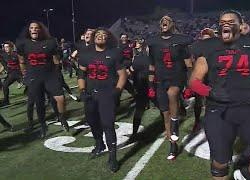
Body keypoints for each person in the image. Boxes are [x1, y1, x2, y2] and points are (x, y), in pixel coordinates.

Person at [189, 10, 250, 179]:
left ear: (241, 25)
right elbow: (194, 81)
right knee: (220, 162)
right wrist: (210, 91)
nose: (226, 23)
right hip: (219, 110)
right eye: (222, 21)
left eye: (231, 21)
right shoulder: (209, 47)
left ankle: (247, 173)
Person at [77, 27, 127, 172]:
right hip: (91, 94)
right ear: (93, 37)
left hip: (107, 93)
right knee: (92, 121)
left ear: (108, 38)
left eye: (104, 34)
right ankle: (99, 143)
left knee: (108, 124)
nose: (100, 36)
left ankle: (113, 157)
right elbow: (81, 75)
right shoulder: (86, 54)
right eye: (98, 34)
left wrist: (117, 91)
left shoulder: (114, 53)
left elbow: (122, 75)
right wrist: (82, 91)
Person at [147, 15, 193, 160]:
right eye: (161, 20)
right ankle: (173, 145)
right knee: (165, 114)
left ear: (172, 24)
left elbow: (189, 64)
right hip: (161, 80)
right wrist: (150, 85)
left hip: (176, 77)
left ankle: (175, 124)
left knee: (173, 93)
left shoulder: (180, 41)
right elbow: (152, 65)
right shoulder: (154, 42)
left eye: (167, 20)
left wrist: (189, 85)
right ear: (160, 25)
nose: (164, 21)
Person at [16, 21, 69, 138]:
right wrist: (25, 74)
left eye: (36, 28)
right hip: (34, 77)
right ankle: (43, 125)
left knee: (60, 98)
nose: (34, 29)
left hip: (50, 75)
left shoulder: (50, 42)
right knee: (39, 103)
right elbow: (21, 60)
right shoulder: (23, 43)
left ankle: (62, 117)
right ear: (29, 30)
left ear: (41, 30)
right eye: (32, 28)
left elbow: (56, 60)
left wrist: (57, 74)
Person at [128, 36, 151, 140]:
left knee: (139, 110)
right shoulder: (136, 55)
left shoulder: (144, 55)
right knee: (139, 110)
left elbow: (132, 70)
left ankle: (134, 133)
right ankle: (134, 132)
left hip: (147, 85)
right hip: (144, 85)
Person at [0, 41, 22, 106]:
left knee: (31, 86)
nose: (5, 48)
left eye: (7, 47)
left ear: (11, 47)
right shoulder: (4, 55)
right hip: (11, 74)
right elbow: (5, 66)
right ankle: (6, 101)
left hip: (19, 74)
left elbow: (23, 64)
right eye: (4, 47)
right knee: (4, 85)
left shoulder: (17, 55)